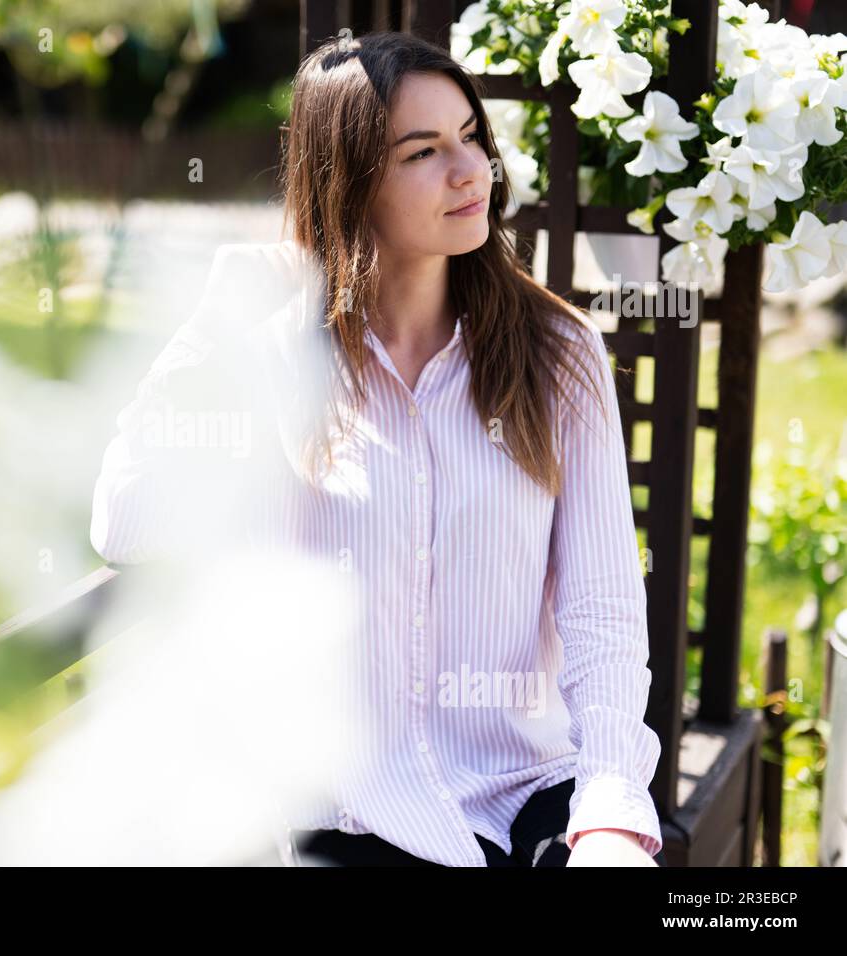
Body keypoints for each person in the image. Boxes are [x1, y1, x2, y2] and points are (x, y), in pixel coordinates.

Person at [89, 30, 665, 867]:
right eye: (424, 152)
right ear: (349, 182)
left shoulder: (557, 351)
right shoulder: (275, 357)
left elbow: (603, 612)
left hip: (532, 795)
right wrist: (218, 318)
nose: (471, 171)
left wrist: (609, 812)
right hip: (357, 812)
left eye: (471, 137)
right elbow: (126, 519)